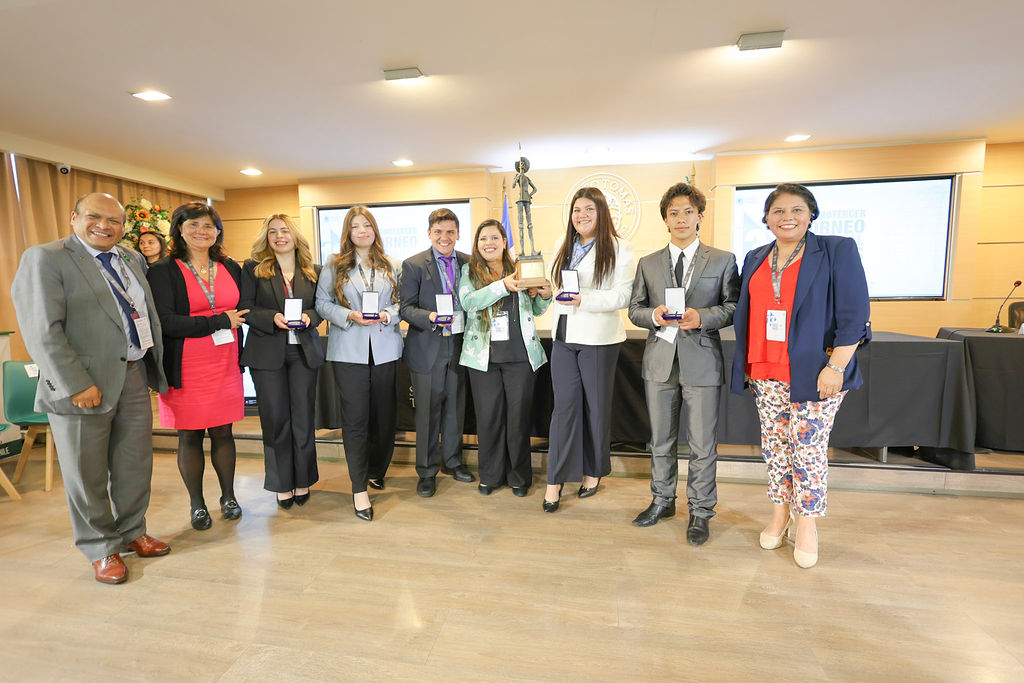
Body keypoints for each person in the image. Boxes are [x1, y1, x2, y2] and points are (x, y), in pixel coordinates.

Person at [11, 192, 171, 584]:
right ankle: (101, 547)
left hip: (132, 374)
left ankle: (133, 531)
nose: (105, 226)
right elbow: (41, 330)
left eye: (115, 220)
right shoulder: (46, 258)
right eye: (95, 217)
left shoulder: (130, 258)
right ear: (74, 217)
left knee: (134, 464)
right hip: (82, 384)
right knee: (87, 473)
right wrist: (75, 383)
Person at [730, 183, 871, 568]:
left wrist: (836, 367)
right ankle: (780, 513)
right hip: (765, 369)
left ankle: (807, 523)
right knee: (776, 448)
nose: (787, 217)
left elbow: (854, 316)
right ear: (765, 218)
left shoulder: (837, 250)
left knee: (807, 450)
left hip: (816, 371)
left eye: (796, 209)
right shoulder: (756, 256)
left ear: (811, 214)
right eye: (778, 211)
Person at [627, 183, 740, 545]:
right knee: (660, 440)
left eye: (687, 211)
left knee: (703, 444)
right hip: (659, 361)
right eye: (673, 212)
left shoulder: (722, 260)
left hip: (702, 360)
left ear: (699, 217)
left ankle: (701, 511)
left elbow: (733, 307)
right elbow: (635, 310)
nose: (680, 218)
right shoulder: (648, 263)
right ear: (665, 219)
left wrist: (701, 316)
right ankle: (662, 500)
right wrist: (654, 315)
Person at [147, 201, 248, 531]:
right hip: (186, 364)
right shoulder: (164, 270)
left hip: (225, 362)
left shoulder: (230, 266)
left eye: (208, 226)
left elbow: (245, 309)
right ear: (179, 230)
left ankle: (229, 496)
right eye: (193, 226)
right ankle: (197, 503)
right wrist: (218, 321)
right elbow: (165, 322)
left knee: (224, 432)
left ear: (218, 231)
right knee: (189, 436)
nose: (201, 232)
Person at [543, 187, 636, 512]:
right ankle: (554, 480)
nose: (581, 216)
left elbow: (624, 295)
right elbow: (558, 286)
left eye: (588, 210)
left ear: (601, 213)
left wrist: (585, 299)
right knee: (563, 409)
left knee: (596, 410)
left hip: (599, 338)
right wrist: (546, 290)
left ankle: (592, 471)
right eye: (576, 210)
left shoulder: (621, 247)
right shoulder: (562, 244)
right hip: (564, 335)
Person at [315, 206, 402, 521]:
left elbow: (402, 302)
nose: (362, 230)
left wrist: (388, 314)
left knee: (384, 416)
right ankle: (358, 488)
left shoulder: (392, 264)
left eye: (367, 225)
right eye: (356, 226)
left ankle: (376, 471)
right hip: (348, 351)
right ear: (348, 233)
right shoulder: (334, 266)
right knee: (355, 421)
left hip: (385, 348)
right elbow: (321, 304)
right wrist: (348, 315)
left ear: (375, 229)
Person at [459, 219, 552, 496]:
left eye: (494, 238)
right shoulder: (469, 271)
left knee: (518, 421)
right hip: (482, 359)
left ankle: (519, 478)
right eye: (483, 239)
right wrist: (504, 285)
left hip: (520, 358)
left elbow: (535, 308)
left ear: (503, 242)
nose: (489, 243)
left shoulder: (521, 269)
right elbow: (469, 302)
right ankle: (489, 475)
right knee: (488, 420)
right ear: (477, 245)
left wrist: (544, 294)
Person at [240, 214, 324, 510]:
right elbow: (244, 308)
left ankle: (303, 480)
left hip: (303, 352)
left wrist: (309, 318)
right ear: (266, 237)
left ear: (295, 236)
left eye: (284, 231)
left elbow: (320, 308)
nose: (279, 236)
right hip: (267, 353)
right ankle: (281, 483)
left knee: (303, 420)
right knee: (276, 421)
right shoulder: (253, 269)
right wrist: (271, 318)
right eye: (272, 231)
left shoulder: (314, 270)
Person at [400, 207, 475, 497]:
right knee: (428, 414)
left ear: (458, 234)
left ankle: (453, 462)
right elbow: (405, 307)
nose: (445, 237)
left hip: (459, 343)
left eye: (450, 232)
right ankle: (427, 471)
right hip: (427, 345)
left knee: (455, 409)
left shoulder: (469, 262)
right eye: (439, 232)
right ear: (429, 233)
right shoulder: (414, 264)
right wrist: (430, 316)